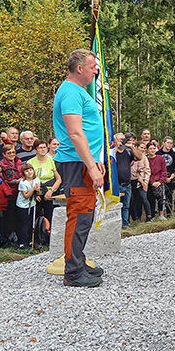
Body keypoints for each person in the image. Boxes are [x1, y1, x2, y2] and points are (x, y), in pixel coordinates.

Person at [52, 49, 106, 287]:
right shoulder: (71, 93)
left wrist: (94, 160)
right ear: (79, 68)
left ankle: (78, 261)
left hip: (83, 160)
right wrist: (91, 168)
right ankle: (73, 272)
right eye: (93, 65)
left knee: (85, 215)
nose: (96, 70)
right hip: (76, 163)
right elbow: (75, 133)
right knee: (79, 216)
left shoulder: (77, 91)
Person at [29, 139, 61, 250]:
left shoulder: (51, 161)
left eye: (44, 147)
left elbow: (58, 179)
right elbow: (28, 179)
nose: (43, 149)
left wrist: (51, 191)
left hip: (49, 192)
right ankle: (37, 239)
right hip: (36, 193)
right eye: (40, 148)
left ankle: (48, 239)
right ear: (36, 150)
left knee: (50, 215)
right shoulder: (31, 162)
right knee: (37, 216)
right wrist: (35, 192)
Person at [0, 144, 22, 247]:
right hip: (8, 194)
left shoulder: (19, 162)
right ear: (4, 154)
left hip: (20, 193)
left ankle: (16, 238)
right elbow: (4, 180)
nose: (11, 154)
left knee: (17, 217)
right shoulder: (1, 165)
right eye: (9, 153)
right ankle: (5, 240)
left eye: (13, 152)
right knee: (7, 218)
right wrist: (18, 181)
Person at [16, 163, 39, 249]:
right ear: (23, 173)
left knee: (30, 222)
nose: (29, 172)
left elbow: (38, 191)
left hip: (32, 204)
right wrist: (33, 189)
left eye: (30, 170)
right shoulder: (23, 183)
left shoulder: (36, 180)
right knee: (24, 224)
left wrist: (37, 195)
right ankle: (22, 242)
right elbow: (26, 196)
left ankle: (30, 240)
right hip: (23, 205)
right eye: (27, 171)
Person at [113, 133, 134, 227]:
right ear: (115, 141)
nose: (122, 141)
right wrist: (117, 147)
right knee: (116, 206)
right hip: (117, 184)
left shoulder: (128, 152)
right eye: (120, 139)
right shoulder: (112, 153)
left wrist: (131, 147)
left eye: (123, 139)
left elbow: (139, 157)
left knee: (126, 206)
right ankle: (116, 225)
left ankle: (125, 224)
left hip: (127, 184)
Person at [130, 141, 152, 220]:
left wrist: (145, 182)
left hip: (142, 182)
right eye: (141, 147)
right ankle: (135, 218)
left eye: (144, 148)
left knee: (144, 198)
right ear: (136, 147)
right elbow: (132, 171)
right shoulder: (131, 155)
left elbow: (147, 170)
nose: (143, 149)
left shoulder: (144, 157)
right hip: (133, 181)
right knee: (133, 200)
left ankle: (149, 217)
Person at [147, 140, 168, 218]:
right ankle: (152, 215)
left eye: (154, 148)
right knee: (151, 199)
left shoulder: (160, 158)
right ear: (147, 150)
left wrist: (160, 181)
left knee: (161, 199)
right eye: (150, 149)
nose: (152, 150)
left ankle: (161, 214)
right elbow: (147, 172)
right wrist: (152, 182)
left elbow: (164, 171)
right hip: (150, 182)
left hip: (159, 181)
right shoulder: (146, 159)